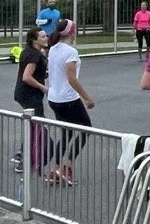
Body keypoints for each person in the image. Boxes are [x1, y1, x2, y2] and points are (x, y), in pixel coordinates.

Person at [45, 19, 95, 186]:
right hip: (68, 98)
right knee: (85, 128)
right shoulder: (70, 51)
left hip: (54, 97)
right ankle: (68, 165)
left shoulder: (52, 49)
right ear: (72, 32)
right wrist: (86, 97)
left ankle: (56, 168)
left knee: (66, 133)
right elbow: (71, 78)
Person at [12, 27, 49, 175]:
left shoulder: (28, 52)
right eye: (42, 36)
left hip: (22, 93)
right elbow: (26, 77)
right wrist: (43, 88)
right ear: (34, 40)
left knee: (34, 125)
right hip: (30, 95)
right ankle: (25, 160)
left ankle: (22, 152)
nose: (46, 38)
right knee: (37, 126)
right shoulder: (34, 55)